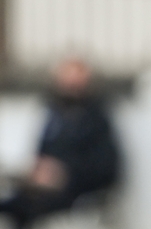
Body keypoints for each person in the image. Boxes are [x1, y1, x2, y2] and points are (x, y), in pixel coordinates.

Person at [0, 57, 121, 229]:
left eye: (76, 80)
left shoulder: (96, 119)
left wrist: (63, 173)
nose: (71, 85)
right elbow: (42, 152)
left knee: (29, 210)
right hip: (42, 191)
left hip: (74, 194)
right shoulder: (54, 115)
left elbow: (106, 167)